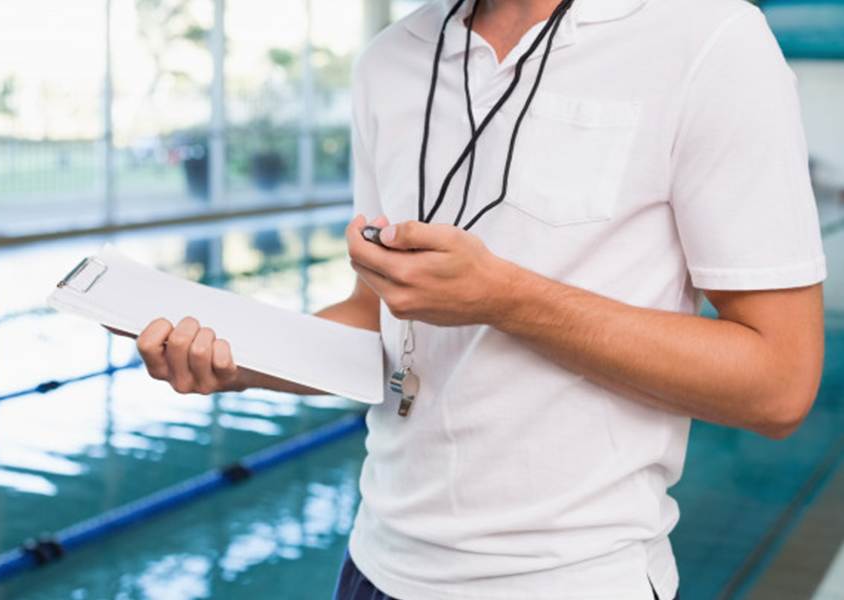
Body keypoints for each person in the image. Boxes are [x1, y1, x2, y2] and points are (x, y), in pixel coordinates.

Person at [133, 0, 827, 598]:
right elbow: (375, 319)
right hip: (377, 566)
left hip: (575, 579)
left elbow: (779, 383)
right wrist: (238, 359)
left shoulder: (705, 38)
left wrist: (506, 299)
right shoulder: (392, 60)